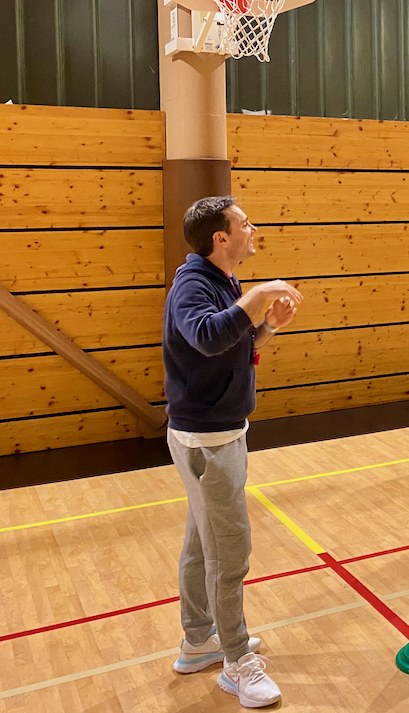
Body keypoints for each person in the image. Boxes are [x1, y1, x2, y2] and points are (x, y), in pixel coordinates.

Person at [164, 196, 302, 708]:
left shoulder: (222, 280)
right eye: (244, 223)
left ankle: (199, 639)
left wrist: (268, 326)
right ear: (221, 238)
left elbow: (233, 346)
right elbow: (205, 337)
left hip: (219, 432)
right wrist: (261, 293)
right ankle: (236, 663)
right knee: (229, 552)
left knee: (202, 542)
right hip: (208, 441)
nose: (253, 228)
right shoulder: (192, 284)